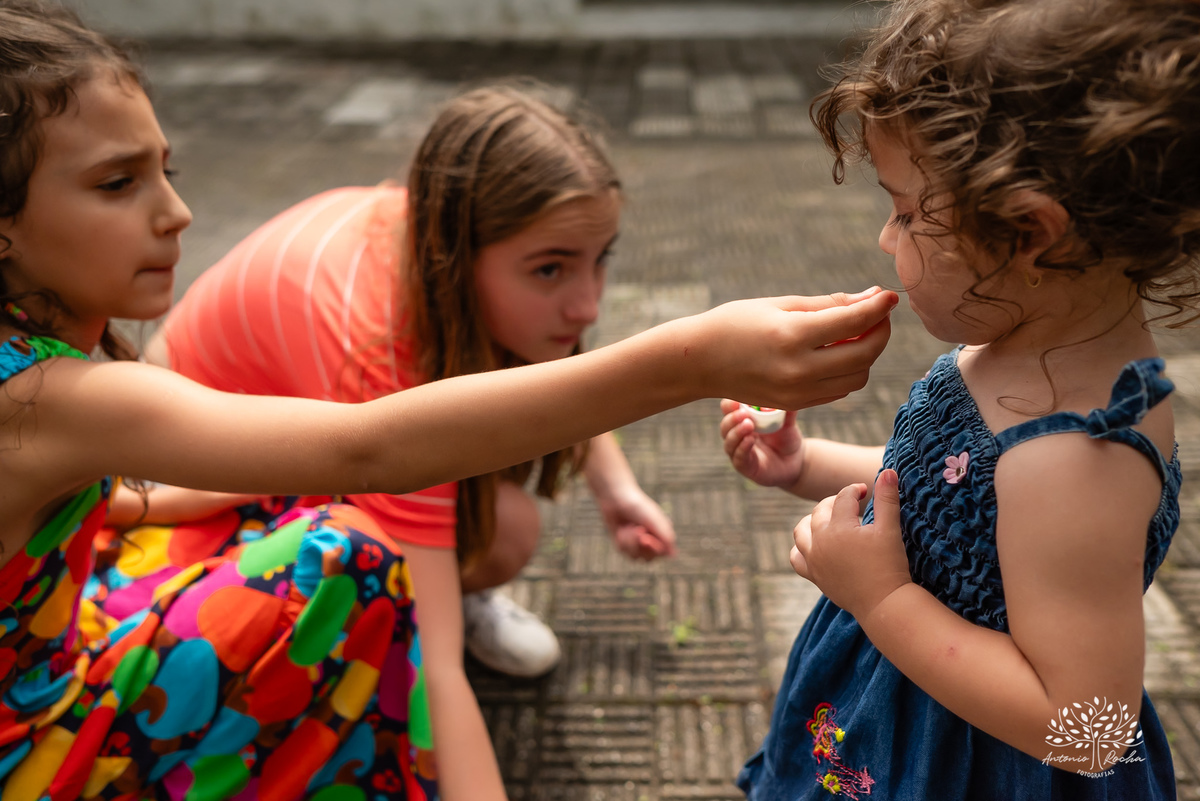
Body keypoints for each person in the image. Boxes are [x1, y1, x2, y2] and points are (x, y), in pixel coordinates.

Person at [0, 2, 897, 798]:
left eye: (167, 171)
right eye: (118, 183)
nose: (177, 213)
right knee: (354, 557)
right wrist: (690, 359)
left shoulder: (420, 235)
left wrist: (616, 483)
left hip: (72, 612)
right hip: (33, 744)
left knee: (462, 529)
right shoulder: (55, 395)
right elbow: (370, 450)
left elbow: (125, 492)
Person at [721, 0, 1200, 797]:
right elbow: (954, 489)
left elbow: (1090, 730)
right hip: (900, 712)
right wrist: (802, 464)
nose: (886, 237)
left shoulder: (1075, 458)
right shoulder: (1025, 345)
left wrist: (882, 599)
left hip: (966, 764)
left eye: (908, 211)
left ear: (1030, 233)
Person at [135, 85, 680, 679]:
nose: (587, 306)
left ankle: (402, 605)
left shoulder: (432, 233)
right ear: (460, 251)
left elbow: (550, 368)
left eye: (600, 259)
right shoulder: (377, 346)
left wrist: (615, 489)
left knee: (494, 518)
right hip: (173, 493)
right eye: (551, 269)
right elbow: (440, 674)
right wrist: (435, 659)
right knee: (498, 532)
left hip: (259, 451)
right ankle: (369, 640)